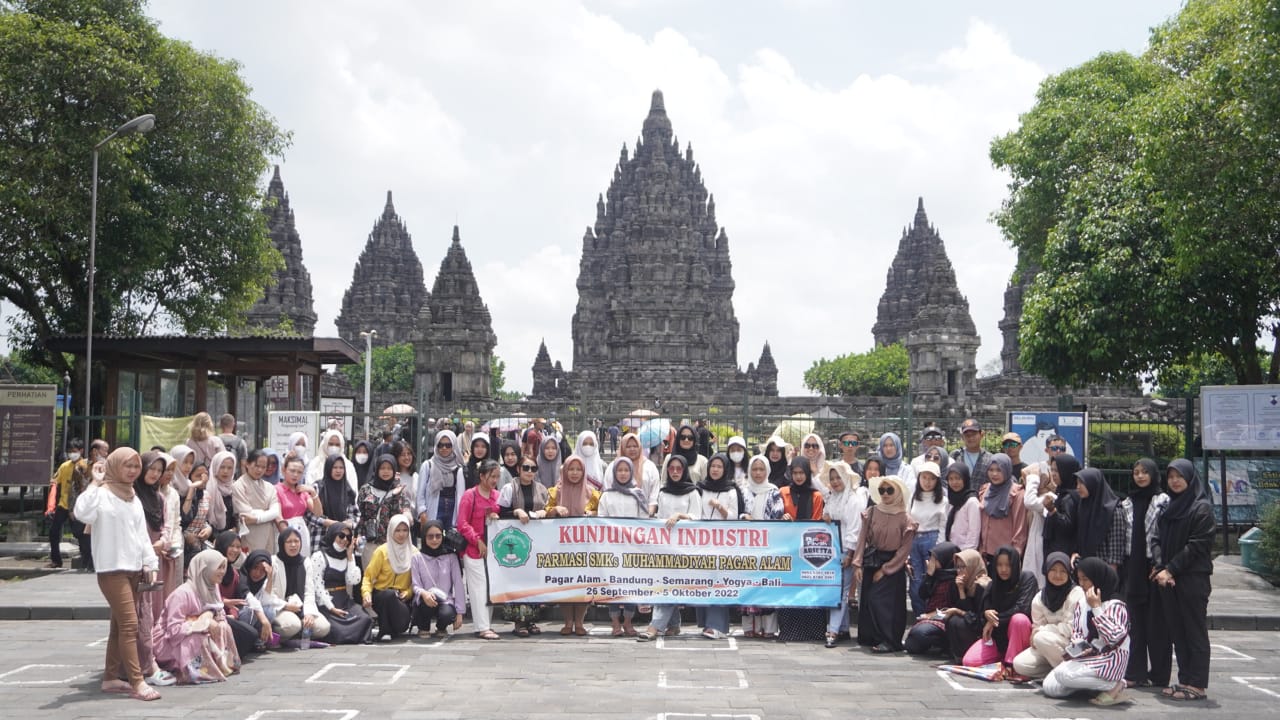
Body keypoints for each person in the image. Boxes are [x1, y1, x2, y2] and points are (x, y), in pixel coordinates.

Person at [74, 447, 164, 701]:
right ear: (114, 466)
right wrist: (95, 481)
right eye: (128, 466)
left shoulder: (132, 497)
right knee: (129, 624)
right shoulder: (101, 494)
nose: (133, 471)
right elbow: (82, 512)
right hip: (111, 569)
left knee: (118, 625)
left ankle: (111, 677)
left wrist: (150, 563)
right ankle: (137, 682)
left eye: (136, 466)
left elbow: (141, 535)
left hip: (134, 568)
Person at [1152, 458, 1215, 702]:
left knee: (1194, 631)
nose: (1175, 481)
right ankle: (1185, 679)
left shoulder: (1201, 508)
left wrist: (1172, 569)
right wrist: (1160, 567)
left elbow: (1197, 546)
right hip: (1167, 578)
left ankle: (1197, 684)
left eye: (1179, 476)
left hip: (1191, 579)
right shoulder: (1170, 507)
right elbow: (1156, 538)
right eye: (1171, 476)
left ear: (1190, 478)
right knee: (1178, 631)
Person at [1041, 558, 1131, 706]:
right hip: (1088, 658)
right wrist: (1078, 646)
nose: (1081, 584)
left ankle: (1116, 684)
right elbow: (1077, 633)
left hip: (1109, 659)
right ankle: (1090, 686)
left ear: (1098, 578)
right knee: (1050, 686)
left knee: (1063, 675)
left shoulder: (1116, 605)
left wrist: (1096, 608)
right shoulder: (1082, 603)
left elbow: (1113, 638)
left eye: (1085, 579)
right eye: (1079, 579)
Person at [637, 455, 701, 642]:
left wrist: (680, 515)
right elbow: (661, 519)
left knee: (669, 584)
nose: (674, 472)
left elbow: (698, 517)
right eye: (671, 468)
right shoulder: (663, 493)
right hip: (665, 547)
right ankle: (673, 624)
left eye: (678, 469)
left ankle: (655, 626)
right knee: (665, 583)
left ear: (684, 471)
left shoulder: (692, 493)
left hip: (685, 548)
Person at [154, 548, 241, 684]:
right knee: (198, 637)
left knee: (225, 626)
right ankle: (197, 670)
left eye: (224, 567)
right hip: (169, 641)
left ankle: (222, 664)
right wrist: (202, 623)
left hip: (192, 630)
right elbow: (174, 630)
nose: (222, 572)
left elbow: (220, 613)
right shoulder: (182, 594)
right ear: (205, 569)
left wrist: (210, 617)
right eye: (219, 567)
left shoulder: (213, 588)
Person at [1122, 458, 1172, 689]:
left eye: (1144, 472)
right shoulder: (1127, 503)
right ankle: (1135, 672)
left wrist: (1162, 563)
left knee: (1157, 623)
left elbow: (1165, 535)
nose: (1140, 476)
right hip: (1134, 567)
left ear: (1153, 474)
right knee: (1135, 623)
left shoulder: (1162, 501)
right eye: (1136, 472)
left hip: (1154, 567)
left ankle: (1160, 675)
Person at [853, 476, 916, 653]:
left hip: (893, 564)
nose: (885, 494)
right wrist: (858, 564)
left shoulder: (906, 519)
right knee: (867, 599)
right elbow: (862, 538)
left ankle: (889, 639)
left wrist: (887, 569)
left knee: (885, 602)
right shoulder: (872, 511)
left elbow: (904, 550)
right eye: (882, 490)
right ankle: (871, 636)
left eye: (890, 490)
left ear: (898, 492)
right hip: (873, 559)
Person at [496, 453, 552, 636]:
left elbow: (549, 509)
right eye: (526, 468)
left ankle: (532, 620)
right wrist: (516, 511)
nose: (529, 472)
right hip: (516, 541)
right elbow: (500, 512)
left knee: (534, 580)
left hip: (536, 543)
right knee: (517, 580)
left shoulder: (542, 489)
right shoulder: (509, 488)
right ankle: (519, 622)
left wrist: (546, 512)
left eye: (533, 468)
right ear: (519, 469)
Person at [961, 545, 1037, 679]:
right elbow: (984, 614)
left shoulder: (1026, 578)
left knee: (1019, 619)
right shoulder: (993, 585)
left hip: (1020, 636)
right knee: (969, 661)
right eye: (999, 565)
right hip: (999, 639)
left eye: (1008, 565)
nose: (1003, 569)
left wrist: (995, 620)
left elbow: (1022, 608)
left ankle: (1012, 665)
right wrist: (987, 615)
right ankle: (1005, 657)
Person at [546, 455, 601, 635]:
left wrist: (592, 513)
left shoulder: (592, 493)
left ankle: (579, 622)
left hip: (585, 546)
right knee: (565, 583)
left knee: (582, 584)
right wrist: (554, 510)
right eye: (571, 469)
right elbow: (545, 512)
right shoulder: (556, 492)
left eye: (578, 469)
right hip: (561, 546)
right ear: (565, 471)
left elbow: (601, 513)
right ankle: (567, 621)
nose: (575, 473)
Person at [696, 452, 746, 639]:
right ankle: (705, 623)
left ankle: (717, 626)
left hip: (724, 543)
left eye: (719, 466)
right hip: (702, 542)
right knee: (704, 582)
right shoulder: (700, 487)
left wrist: (719, 507)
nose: (715, 470)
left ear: (725, 469)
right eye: (712, 466)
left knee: (719, 583)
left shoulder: (731, 489)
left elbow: (735, 516)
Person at [1011, 552, 1085, 680]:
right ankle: (1057, 671)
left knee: (1041, 637)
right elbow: (1036, 630)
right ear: (1046, 571)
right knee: (1019, 664)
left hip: (1073, 645)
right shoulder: (1039, 599)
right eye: (1053, 570)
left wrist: (1042, 630)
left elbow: (1070, 629)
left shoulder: (1076, 593)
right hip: (1048, 645)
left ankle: (1071, 674)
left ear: (1069, 572)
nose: (1058, 575)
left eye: (1063, 571)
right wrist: (1040, 631)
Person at [596, 457, 645, 636]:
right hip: (612, 549)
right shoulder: (607, 495)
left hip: (632, 550)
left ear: (631, 472)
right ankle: (615, 621)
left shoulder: (638, 493)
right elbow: (601, 520)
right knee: (614, 586)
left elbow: (644, 521)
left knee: (631, 585)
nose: (623, 473)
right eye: (620, 470)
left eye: (626, 470)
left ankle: (628, 621)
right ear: (614, 472)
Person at [823, 461, 867, 648]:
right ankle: (843, 628)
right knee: (839, 587)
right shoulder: (833, 498)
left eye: (838, 478)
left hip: (848, 549)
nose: (834, 482)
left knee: (840, 590)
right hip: (834, 549)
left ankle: (832, 631)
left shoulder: (854, 500)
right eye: (832, 478)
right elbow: (828, 515)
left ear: (846, 478)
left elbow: (855, 530)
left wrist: (849, 554)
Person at [459, 459, 503, 639]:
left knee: (489, 588)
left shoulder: (498, 496)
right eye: (492, 476)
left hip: (493, 550)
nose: (494, 480)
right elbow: (462, 523)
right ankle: (483, 626)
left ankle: (485, 624)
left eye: (497, 476)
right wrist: (477, 540)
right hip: (474, 549)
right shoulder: (470, 495)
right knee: (478, 588)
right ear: (482, 476)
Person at [307, 523, 372, 644]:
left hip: (344, 600)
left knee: (365, 619)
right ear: (332, 535)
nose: (344, 540)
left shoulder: (347, 556)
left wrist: (350, 557)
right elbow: (317, 586)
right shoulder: (319, 556)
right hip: (326, 603)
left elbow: (354, 580)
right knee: (335, 629)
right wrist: (331, 608)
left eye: (348, 537)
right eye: (341, 536)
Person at [740, 454, 781, 639]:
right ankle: (750, 627)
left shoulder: (773, 491)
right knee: (749, 586)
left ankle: (769, 628)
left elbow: (777, 515)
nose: (757, 473)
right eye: (754, 469)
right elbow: (738, 513)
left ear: (767, 470)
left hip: (768, 547)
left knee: (767, 586)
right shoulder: (743, 490)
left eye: (761, 469)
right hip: (747, 547)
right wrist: (744, 518)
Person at [214, 532, 274, 656]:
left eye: (238, 547)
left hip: (229, 617)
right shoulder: (211, 568)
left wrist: (233, 614)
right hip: (211, 614)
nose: (235, 550)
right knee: (249, 629)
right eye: (232, 546)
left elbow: (241, 598)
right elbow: (204, 596)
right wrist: (224, 602)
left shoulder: (234, 574)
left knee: (252, 629)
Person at [361, 514, 416, 641]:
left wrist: (408, 593)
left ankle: (392, 628)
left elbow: (417, 581)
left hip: (402, 599)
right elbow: (368, 577)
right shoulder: (382, 551)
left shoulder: (414, 553)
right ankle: (384, 630)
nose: (401, 534)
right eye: (397, 530)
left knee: (401, 626)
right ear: (391, 530)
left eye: (405, 530)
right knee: (388, 595)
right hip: (381, 595)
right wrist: (366, 594)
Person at [357, 454, 415, 568]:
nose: (386, 471)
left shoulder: (399, 491)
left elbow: (403, 516)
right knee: (370, 579)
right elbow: (359, 514)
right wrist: (358, 535)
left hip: (391, 545)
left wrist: (395, 496)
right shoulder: (366, 489)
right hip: (370, 544)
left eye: (389, 468)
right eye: (382, 468)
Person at [903, 541, 961, 655]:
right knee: (912, 644)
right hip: (931, 619)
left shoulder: (956, 579)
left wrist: (933, 615)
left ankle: (945, 643)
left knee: (920, 634)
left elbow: (954, 605)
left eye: (935, 559)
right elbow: (923, 594)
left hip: (946, 620)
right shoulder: (937, 575)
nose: (931, 562)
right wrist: (929, 575)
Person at [412, 520, 466, 638]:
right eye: (430, 536)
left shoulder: (451, 556)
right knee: (425, 606)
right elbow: (415, 584)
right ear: (424, 537)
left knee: (447, 614)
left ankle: (441, 627)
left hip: (446, 600)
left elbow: (458, 583)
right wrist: (424, 594)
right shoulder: (417, 557)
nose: (434, 540)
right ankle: (423, 627)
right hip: (425, 600)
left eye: (438, 536)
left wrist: (460, 612)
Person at [907, 461, 947, 618]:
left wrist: (937, 551)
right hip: (914, 540)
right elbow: (907, 519)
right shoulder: (913, 497)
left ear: (937, 480)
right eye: (924, 477)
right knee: (916, 581)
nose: (927, 482)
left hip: (932, 539)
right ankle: (919, 617)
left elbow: (943, 526)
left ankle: (931, 618)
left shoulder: (943, 500)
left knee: (932, 581)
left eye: (931, 478)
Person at [46, 438, 92, 569]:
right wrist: (51, 505)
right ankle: (56, 560)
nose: (72, 454)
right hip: (64, 504)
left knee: (80, 533)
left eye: (75, 451)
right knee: (54, 531)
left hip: (78, 506)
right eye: (70, 451)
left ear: (81, 451)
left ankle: (86, 560)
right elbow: (55, 482)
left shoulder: (85, 466)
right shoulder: (64, 466)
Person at [1073, 467, 1128, 568]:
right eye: (1077, 483)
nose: (1078, 487)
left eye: (1082, 483)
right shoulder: (1084, 506)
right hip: (1086, 569)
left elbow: (1116, 547)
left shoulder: (1113, 510)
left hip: (1104, 569)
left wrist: (1111, 574)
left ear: (1093, 483)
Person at [943, 549, 991, 662]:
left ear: (972, 566)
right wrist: (961, 590)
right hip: (969, 620)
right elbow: (962, 607)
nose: (959, 571)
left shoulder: (983, 585)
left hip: (981, 628)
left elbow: (977, 618)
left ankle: (969, 653)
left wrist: (958, 611)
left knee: (959, 622)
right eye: (958, 567)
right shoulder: (960, 584)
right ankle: (958, 655)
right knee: (952, 620)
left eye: (963, 567)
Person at [977, 453, 1027, 559]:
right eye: (991, 470)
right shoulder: (985, 490)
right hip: (985, 554)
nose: (994, 474)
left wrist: (1015, 555)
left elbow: (1020, 528)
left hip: (1006, 556)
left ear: (1007, 470)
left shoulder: (1016, 493)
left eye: (999, 470)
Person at [232, 448, 282, 553]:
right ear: (247, 464)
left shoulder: (269, 487)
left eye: (263, 467)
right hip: (250, 535)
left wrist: (257, 518)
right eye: (257, 466)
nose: (259, 470)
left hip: (268, 534)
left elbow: (275, 512)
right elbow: (245, 514)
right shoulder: (239, 485)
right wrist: (268, 514)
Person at [310, 453, 360, 554]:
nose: (338, 471)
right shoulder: (318, 488)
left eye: (341, 467)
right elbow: (309, 514)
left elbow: (355, 514)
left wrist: (350, 523)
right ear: (328, 468)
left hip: (343, 538)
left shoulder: (347, 489)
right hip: (321, 537)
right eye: (334, 467)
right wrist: (328, 522)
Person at [417, 430, 465, 532]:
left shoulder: (459, 468)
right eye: (440, 445)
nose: (444, 448)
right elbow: (420, 492)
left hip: (452, 511)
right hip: (433, 508)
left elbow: (461, 495)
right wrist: (422, 512)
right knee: (433, 539)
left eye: (448, 445)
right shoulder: (428, 465)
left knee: (451, 543)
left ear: (454, 446)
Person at [276, 456, 321, 553]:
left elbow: (318, 512)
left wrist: (313, 492)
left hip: (302, 533)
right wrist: (288, 536)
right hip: (284, 531)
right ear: (284, 470)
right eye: (292, 471)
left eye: (299, 472)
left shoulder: (302, 491)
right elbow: (278, 516)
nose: (295, 475)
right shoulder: (277, 489)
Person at [1042, 453, 1082, 557]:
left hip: (1063, 553)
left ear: (1067, 471)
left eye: (1057, 470)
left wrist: (1052, 510)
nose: (1054, 474)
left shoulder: (1069, 497)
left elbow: (1067, 526)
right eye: (1052, 470)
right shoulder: (1061, 492)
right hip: (1056, 550)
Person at [944, 463, 979, 551]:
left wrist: (965, 554)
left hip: (964, 553)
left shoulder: (971, 502)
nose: (954, 482)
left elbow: (974, 532)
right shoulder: (951, 501)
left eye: (958, 478)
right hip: (951, 550)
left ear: (965, 479)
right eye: (951, 479)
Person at [621, 432, 661, 505]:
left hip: (645, 512)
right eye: (628, 446)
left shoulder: (650, 467)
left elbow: (654, 495)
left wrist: (648, 512)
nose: (632, 449)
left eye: (635, 446)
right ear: (623, 448)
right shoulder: (613, 467)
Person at [951, 418, 993, 485]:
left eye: (974, 434)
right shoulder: (955, 455)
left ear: (981, 435)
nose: (971, 438)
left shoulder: (990, 458)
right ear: (962, 437)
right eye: (967, 435)